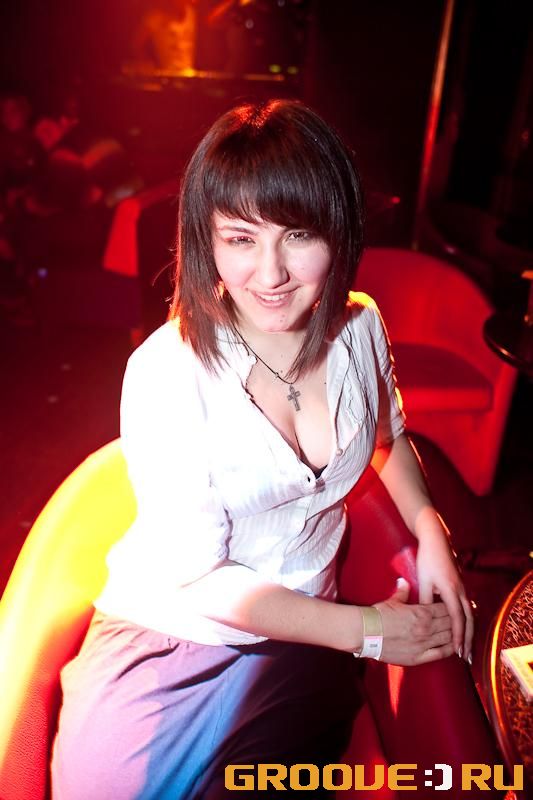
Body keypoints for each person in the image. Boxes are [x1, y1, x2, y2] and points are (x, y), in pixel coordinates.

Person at [51, 99, 473, 799]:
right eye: (240, 238)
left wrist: (431, 530)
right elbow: (196, 579)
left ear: (339, 229)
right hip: (171, 629)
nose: (270, 274)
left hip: (302, 635)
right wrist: (369, 632)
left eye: (297, 234)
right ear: (207, 241)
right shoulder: (168, 371)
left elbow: (386, 437)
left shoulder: (359, 326)